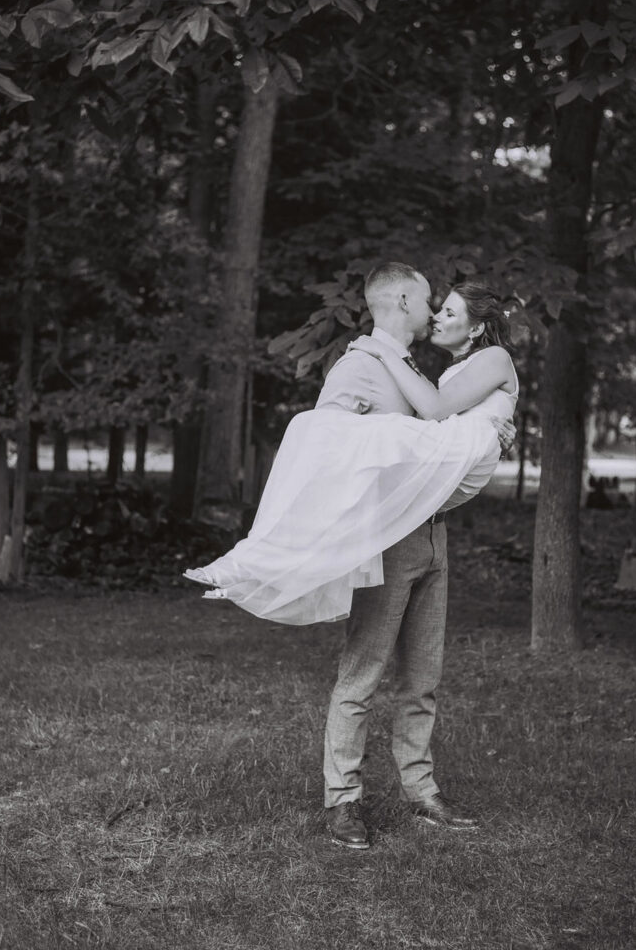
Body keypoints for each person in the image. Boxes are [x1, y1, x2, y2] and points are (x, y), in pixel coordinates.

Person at [184, 263, 519, 848]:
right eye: (430, 302)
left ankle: (422, 792)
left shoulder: (425, 368)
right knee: (362, 671)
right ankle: (343, 801)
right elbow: (326, 446)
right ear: (406, 299)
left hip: (434, 536)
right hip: (388, 540)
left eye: (448, 309)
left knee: (423, 677)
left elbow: (444, 430)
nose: (435, 310)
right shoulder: (358, 364)